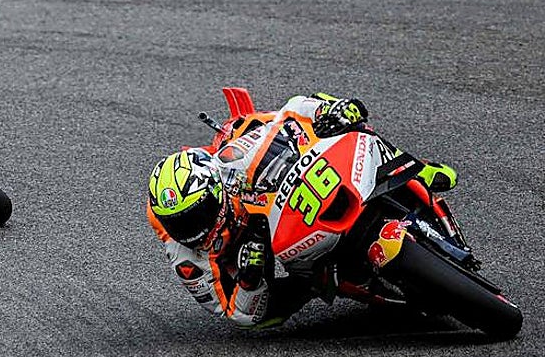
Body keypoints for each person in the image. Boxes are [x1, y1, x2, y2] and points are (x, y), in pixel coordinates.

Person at [144, 93, 457, 327]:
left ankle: (417, 169)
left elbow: (289, 113)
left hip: (276, 196)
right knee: (274, 310)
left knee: (339, 119)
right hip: (257, 251)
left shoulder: (227, 163)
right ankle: (320, 281)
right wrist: (251, 280)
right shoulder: (185, 255)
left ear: (216, 191)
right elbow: (236, 313)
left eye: (195, 216)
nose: (190, 230)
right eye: (180, 224)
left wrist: (327, 111)